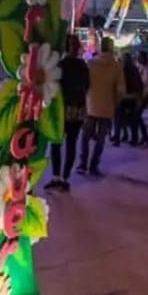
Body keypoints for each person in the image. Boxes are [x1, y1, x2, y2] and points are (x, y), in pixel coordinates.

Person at [47, 35, 89, 192]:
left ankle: (56, 177)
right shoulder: (83, 65)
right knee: (71, 143)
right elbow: (87, 86)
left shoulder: (60, 65)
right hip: (77, 109)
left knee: (56, 142)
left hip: (61, 109)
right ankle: (64, 178)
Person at [79, 37, 125, 177]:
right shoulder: (116, 66)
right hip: (107, 106)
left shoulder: (91, 63)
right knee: (100, 139)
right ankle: (94, 165)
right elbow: (121, 90)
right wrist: (115, 102)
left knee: (86, 137)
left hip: (91, 104)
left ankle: (83, 163)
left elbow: (84, 84)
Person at [111, 53, 142, 146]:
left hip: (123, 96)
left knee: (118, 118)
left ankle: (117, 138)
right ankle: (134, 139)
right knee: (133, 120)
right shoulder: (135, 69)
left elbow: (119, 83)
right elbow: (139, 84)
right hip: (134, 97)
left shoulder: (121, 70)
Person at [133, 51, 148, 146]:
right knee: (137, 115)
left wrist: (137, 79)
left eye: (139, 57)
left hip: (146, 94)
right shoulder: (141, 66)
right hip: (142, 94)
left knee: (137, 115)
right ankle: (144, 137)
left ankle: (145, 137)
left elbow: (145, 81)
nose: (137, 59)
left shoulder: (147, 68)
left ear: (143, 58)